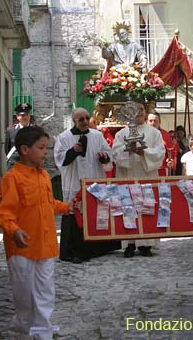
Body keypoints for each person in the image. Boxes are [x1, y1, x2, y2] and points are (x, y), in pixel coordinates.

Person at [0, 126, 73, 340]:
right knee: (25, 292)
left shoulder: (44, 175)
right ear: (24, 150)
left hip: (45, 244)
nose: (45, 152)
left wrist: (67, 207)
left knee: (45, 290)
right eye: (41, 148)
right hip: (22, 247)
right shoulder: (13, 178)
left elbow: (48, 205)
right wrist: (15, 230)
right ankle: (23, 325)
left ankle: (42, 329)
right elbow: (4, 213)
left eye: (46, 148)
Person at [54, 107, 121, 263]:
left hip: (94, 178)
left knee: (94, 212)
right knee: (74, 214)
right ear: (74, 121)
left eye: (86, 118)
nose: (84, 121)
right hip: (74, 180)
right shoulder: (64, 138)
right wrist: (73, 151)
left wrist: (104, 157)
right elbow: (60, 160)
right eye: (80, 119)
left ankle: (96, 249)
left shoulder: (97, 136)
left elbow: (108, 155)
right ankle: (73, 250)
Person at [112, 101, 165, 258]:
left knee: (146, 207)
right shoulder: (121, 133)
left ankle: (146, 244)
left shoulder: (154, 133)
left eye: (142, 109)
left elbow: (160, 153)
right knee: (128, 208)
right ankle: (129, 243)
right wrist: (127, 150)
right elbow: (115, 153)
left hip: (146, 176)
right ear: (130, 112)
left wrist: (144, 153)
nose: (140, 112)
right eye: (136, 110)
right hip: (127, 176)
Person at [147, 111, 179, 176]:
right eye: (150, 121)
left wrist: (172, 161)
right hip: (146, 169)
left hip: (161, 170)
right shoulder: (142, 134)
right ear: (146, 122)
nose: (153, 123)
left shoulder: (165, 135)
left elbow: (172, 152)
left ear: (159, 122)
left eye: (155, 121)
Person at [5, 103, 32, 168]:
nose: (25, 117)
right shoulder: (11, 130)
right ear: (17, 116)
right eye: (22, 115)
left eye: (27, 114)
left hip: (30, 164)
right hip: (14, 164)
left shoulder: (35, 130)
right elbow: (7, 148)